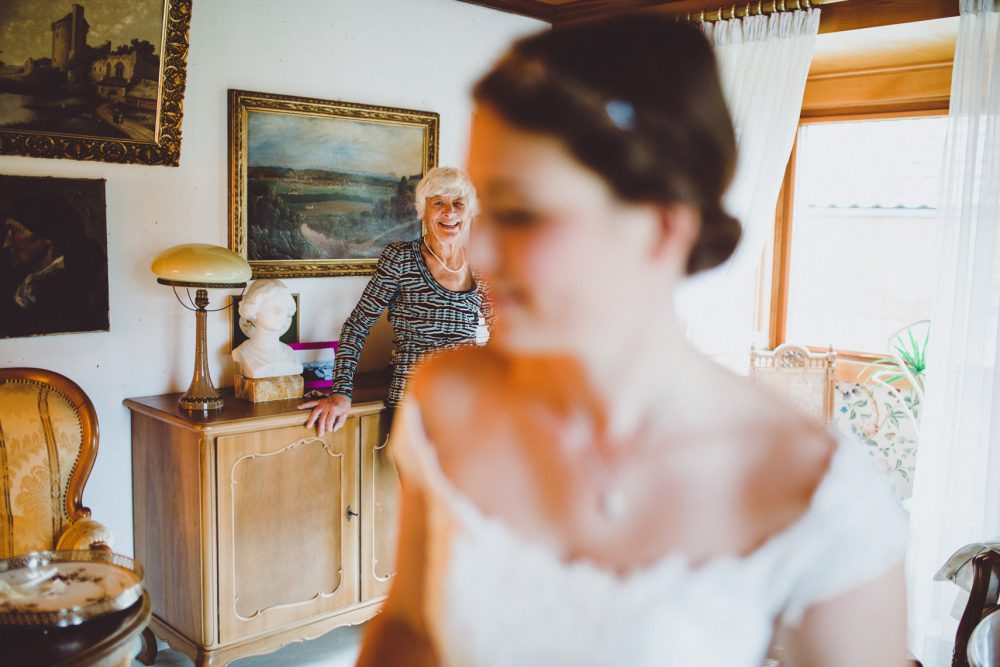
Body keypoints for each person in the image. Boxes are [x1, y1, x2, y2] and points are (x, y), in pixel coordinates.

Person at [356, 16, 909, 667]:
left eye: (521, 212)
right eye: (480, 209)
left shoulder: (822, 498)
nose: (476, 246)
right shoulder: (447, 398)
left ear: (660, 229)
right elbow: (410, 627)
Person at [298, 167, 494, 433]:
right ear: (423, 211)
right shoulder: (401, 259)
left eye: (459, 203)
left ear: (470, 212)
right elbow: (357, 326)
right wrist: (341, 392)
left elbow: (505, 334)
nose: (450, 212)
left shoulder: (481, 265)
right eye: (438, 203)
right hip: (413, 409)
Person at [1, 194, 107, 338]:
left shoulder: (83, 286)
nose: (6, 243)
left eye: (14, 230)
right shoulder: (16, 282)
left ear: (47, 236)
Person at [231, 278, 302, 378]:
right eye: (272, 305)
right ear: (255, 310)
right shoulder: (241, 353)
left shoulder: (290, 354)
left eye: (283, 305)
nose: (280, 312)